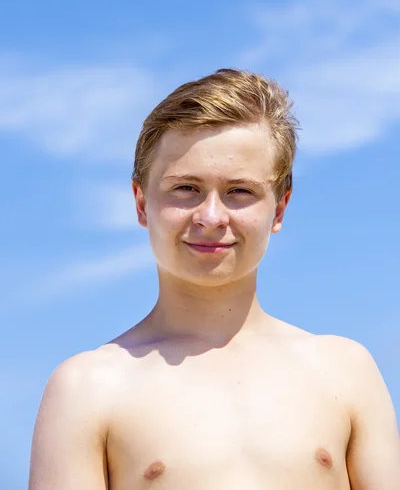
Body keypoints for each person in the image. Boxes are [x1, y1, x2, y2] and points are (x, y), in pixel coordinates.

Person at [29, 68, 399, 489]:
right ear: (140, 202)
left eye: (239, 191)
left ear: (278, 209)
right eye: (185, 188)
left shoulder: (346, 372)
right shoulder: (87, 388)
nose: (210, 217)